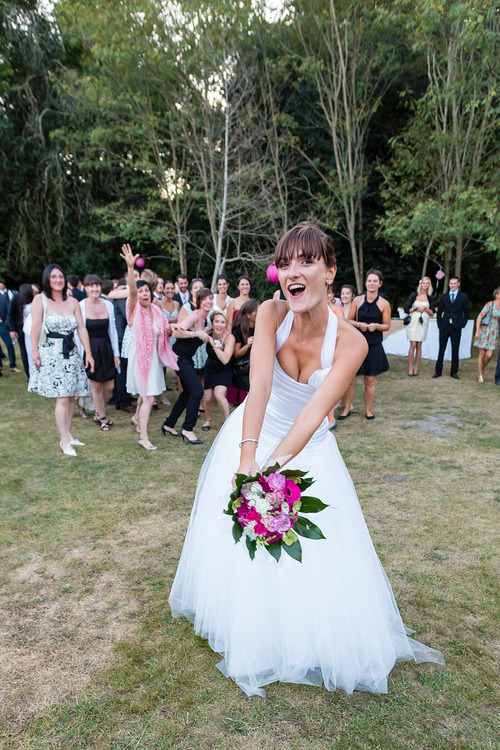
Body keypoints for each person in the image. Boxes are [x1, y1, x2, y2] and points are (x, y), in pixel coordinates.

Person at [169, 222, 444, 697]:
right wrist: (247, 461)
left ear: (330, 272)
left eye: (307, 262)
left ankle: (304, 632)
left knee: (314, 553)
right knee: (242, 545)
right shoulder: (272, 312)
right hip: (252, 435)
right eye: (287, 263)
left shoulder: (352, 343)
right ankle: (254, 625)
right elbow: (260, 388)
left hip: (308, 448)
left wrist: (271, 473)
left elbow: (316, 413)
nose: (293, 273)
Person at [28, 263, 94, 456]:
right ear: (47, 279)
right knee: (62, 398)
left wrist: (88, 353)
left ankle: (68, 433)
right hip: (51, 352)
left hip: (71, 352)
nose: (58, 280)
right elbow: (36, 327)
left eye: (61, 277)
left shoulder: (73, 302)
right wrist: (34, 351)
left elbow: (81, 328)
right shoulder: (40, 300)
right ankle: (64, 440)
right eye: (54, 277)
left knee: (71, 395)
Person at [121, 245, 178, 450]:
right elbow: (133, 291)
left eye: (147, 290)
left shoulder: (156, 310)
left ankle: (138, 421)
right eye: (140, 290)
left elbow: (165, 330)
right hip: (141, 359)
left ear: (151, 293)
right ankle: (143, 436)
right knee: (149, 397)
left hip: (154, 357)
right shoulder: (134, 308)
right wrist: (130, 267)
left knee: (148, 396)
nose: (143, 293)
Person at [161, 288, 213, 444]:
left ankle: (169, 424)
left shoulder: (206, 319)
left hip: (187, 358)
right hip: (179, 357)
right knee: (197, 391)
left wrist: (206, 333)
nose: (208, 301)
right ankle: (188, 429)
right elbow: (176, 332)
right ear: (199, 301)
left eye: (210, 298)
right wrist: (197, 334)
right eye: (205, 299)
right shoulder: (195, 315)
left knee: (187, 394)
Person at [344, 269, 391, 420]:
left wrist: (376, 326)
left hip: (374, 345)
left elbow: (387, 325)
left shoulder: (384, 303)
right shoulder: (357, 300)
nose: (372, 283)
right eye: (369, 281)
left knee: (370, 380)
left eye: (375, 281)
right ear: (365, 283)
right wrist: (359, 324)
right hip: (357, 344)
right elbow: (349, 320)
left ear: (380, 284)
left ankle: (368, 411)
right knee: (351, 379)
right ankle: (346, 409)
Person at [77, 275, 120, 431]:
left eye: (97, 285)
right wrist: (85, 354)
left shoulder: (108, 305)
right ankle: (101, 417)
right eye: (91, 286)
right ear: (85, 288)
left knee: (109, 386)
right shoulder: (80, 306)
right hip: (90, 349)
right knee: (96, 387)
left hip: (106, 347)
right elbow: (79, 332)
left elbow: (113, 330)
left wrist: (116, 354)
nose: (95, 289)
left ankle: (98, 412)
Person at [202, 310, 235, 431]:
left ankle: (227, 421)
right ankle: (208, 420)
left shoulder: (229, 338)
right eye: (217, 322)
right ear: (212, 323)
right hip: (210, 368)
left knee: (219, 394)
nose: (219, 325)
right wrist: (205, 331)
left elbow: (225, 359)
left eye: (222, 322)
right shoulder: (209, 332)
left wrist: (214, 345)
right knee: (208, 397)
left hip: (224, 369)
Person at [432, 276, 470, 380]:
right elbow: (439, 312)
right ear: (449, 284)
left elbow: (467, 313)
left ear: (458, 284)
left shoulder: (463, 296)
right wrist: (440, 324)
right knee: (441, 349)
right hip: (444, 326)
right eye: (451, 283)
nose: (452, 285)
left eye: (454, 283)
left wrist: (462, 324)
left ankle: (454, 372)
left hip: (456, 327)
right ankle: (438, 371)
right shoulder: (444, 297)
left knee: (455, 349)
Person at [404, 277, 436, 376]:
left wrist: (426, 308)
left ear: (429, 285)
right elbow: (406, 309)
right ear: (420, 284)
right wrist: (416, 309)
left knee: (419, 346)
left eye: (427, 283)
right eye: (423, 283)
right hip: (413, 322)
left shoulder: (430, 298)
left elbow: (432, 313)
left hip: (423, 322)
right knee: (412, 345)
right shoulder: (414, 295)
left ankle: (416, 368)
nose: (425, 285)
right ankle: (410, 368)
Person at [231, 299, 259, 402]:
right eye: (257, 310)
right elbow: (236, 354)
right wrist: (247, 345)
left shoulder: (259, 326)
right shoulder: (238, 330)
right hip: (244, 368)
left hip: (257, 365)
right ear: (248, 314)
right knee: (252, 395)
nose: (260, 312)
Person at [473, 286, 500, 383]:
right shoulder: (490, 305)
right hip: (485, 331)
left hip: (494, 333)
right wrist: (477, 331)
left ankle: (482, 368)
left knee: (489, 355)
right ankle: (480, 375)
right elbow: (479, 317)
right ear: (496, 295)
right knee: (482, 354)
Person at [7, 283, 34, 378]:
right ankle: (29, 375)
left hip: (34, 330)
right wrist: (12, 330)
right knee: (24, 352)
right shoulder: (16, 298)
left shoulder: (35, 299)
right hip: (21, 331)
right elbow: (11, 315)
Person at [0, 280, 21, 372]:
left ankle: (13, 365)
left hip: (3, 324)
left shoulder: (7, 295)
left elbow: (9, 311)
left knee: (9, 345)